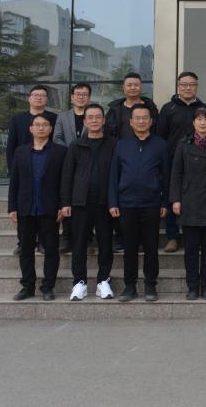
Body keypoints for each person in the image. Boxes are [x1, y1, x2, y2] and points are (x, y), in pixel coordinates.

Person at [108, 103, 169, 303]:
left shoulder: (161, 145)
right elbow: (114, 175)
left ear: (151, 122)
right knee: (130, 247)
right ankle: (130, 286)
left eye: (145, 118)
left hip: (152, 203)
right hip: (126, 204)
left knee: (151, 246)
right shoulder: (121, 145)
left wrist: (164, 202)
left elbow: (166, 176)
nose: (141, 121)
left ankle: (150, 285)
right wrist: (113, 202)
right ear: (131, 122)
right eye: (137, 118)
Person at [170, 106, 206, 301]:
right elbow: (176, 173)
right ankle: (192, 287)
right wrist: (176, 199)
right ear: (193, 122)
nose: (203, 123)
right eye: (199, 119)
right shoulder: (183, 145)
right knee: (191, 250)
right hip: (189, 202)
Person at [59, 103, 117, 301]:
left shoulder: (113, 144)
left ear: (104, 120)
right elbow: (67, 175)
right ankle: (79, 282)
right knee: (79, 244)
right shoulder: (76, 145)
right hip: (80, 202)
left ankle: (103, 281)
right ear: (84, 121)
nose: (94, 120)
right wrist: (65, 202)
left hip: (105, 203)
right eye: (90, 117)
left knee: (106, 243)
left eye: (97, 117)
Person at [8, 113, 66, 301]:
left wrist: (63, 204)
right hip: (25, 208)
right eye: (37, 125)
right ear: (31, 129)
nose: (41, 128)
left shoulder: (60, 152)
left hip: (50, 209)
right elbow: (14, 182)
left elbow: (64, 182)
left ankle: (48, 287)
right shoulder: (21, 152)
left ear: (50, 129)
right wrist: (12, 207)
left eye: (45, 125)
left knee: (51, 250)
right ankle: (28, 286)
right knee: (26, 250)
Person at [156, 71, 205, 254]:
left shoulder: (203, 108)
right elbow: (160, 136)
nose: (187, 88)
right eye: (184, 84)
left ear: (196, 87)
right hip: (172, 161)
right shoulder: (168, 109)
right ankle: (172, 237)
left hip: (198, 161)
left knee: (195, 198)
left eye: (191, 84)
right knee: (173, 198)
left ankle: (195, 237)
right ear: (178, 86)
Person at [6, 84, 57, 255]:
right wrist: (13, 170)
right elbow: (11, 146)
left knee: (44, 207)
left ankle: (43, 242)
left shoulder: (53, 118)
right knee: (24, 208)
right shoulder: (18, 119)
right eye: (35, 95)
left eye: (42, 95)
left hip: (45, 168)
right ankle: (23, 242)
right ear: (29, 98)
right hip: (23, 170)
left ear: (46, 99)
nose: (39, 98)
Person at [52, 82, 91, 255]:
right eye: (78, 94)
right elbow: (56, 138)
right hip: (67, 163)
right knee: (67, 199)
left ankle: (88, 237)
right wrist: (72, 152)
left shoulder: (93, 115)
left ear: (89, 97)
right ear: (72, 97)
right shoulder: (62, 117)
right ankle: (67, 236)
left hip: (88, 163)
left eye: (84, 94)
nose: (81, 97)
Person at [104, 72, 159, 140]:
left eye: (136, 85)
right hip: (121, 146)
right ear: (124, 87)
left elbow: (157, 130)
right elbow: (108, 132)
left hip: (147, 145)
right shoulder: (115, 109)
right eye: (129, 85)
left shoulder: (151, 108)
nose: (133, 88)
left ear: (141, 87)